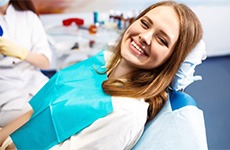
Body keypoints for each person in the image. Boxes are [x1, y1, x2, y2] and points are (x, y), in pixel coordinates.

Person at [0, 1, 207, 149]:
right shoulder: (104, 60)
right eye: (145, 23)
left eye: (162, 40)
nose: (144, 37)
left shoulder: (125, 113)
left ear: (172, 60)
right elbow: (39, 107)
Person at [0, 0, 52, 127]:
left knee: (62, 110)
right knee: (38, 119)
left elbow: (45, 62)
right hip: (7, 96)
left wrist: (22, 53)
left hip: (38, 85)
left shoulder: (29, 17)